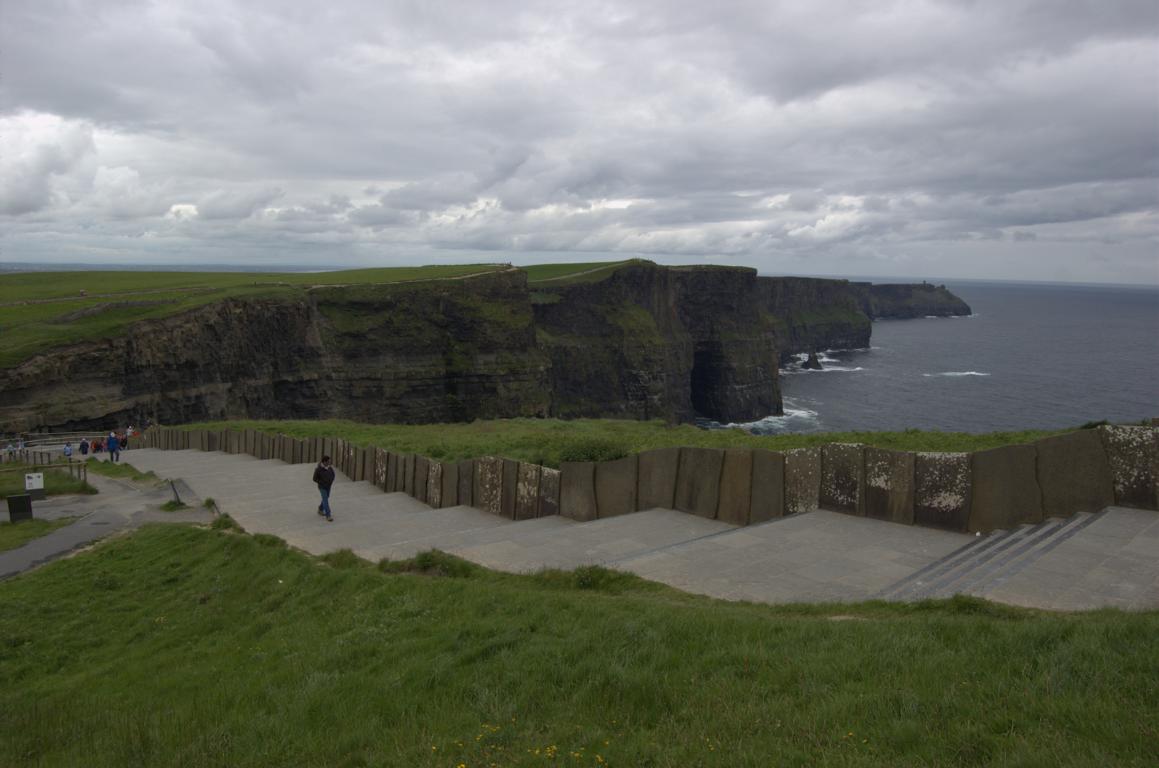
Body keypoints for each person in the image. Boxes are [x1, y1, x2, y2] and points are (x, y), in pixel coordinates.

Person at [313, 455, 335, 522]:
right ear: (324, 462)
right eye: (328, 461)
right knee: (325, 500)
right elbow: (314, 479)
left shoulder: (330, 468)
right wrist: (321, 482)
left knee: (326, 497)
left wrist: (331, 480)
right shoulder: (318, 469)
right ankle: (328, 515)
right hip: (322, 487)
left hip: (328, 486)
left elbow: (333, 475)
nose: (329, 462)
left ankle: (320, 509)